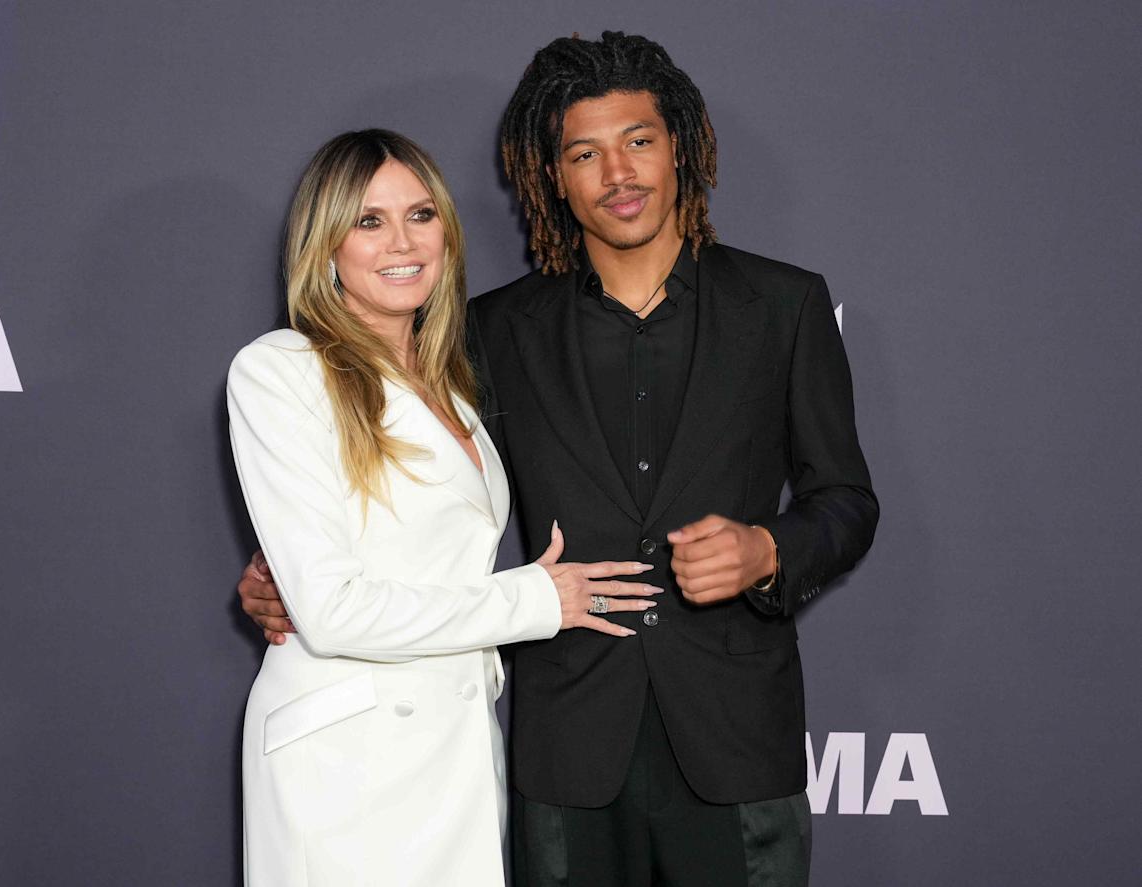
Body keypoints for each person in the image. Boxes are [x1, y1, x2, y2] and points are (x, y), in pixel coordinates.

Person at [241, 33, 878, 887]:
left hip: (735, 737)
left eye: (640, 141)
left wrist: (770, 551)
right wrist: (284, 564)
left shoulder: (784, 305)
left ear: (679, 146)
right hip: (565, 745)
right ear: (552, 175)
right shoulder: (486, 329)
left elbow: (845, 499)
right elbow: (403, 469)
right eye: (586, 152)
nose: (619, 174)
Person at [227, 128, 660, 887]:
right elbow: (330, 611)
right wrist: (532, 597)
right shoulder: (280, 371)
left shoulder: (456, 385)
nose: (401, 240)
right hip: (347, 768)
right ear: (325, 245)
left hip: (456, 752)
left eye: (421, 214)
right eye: (368, 221)